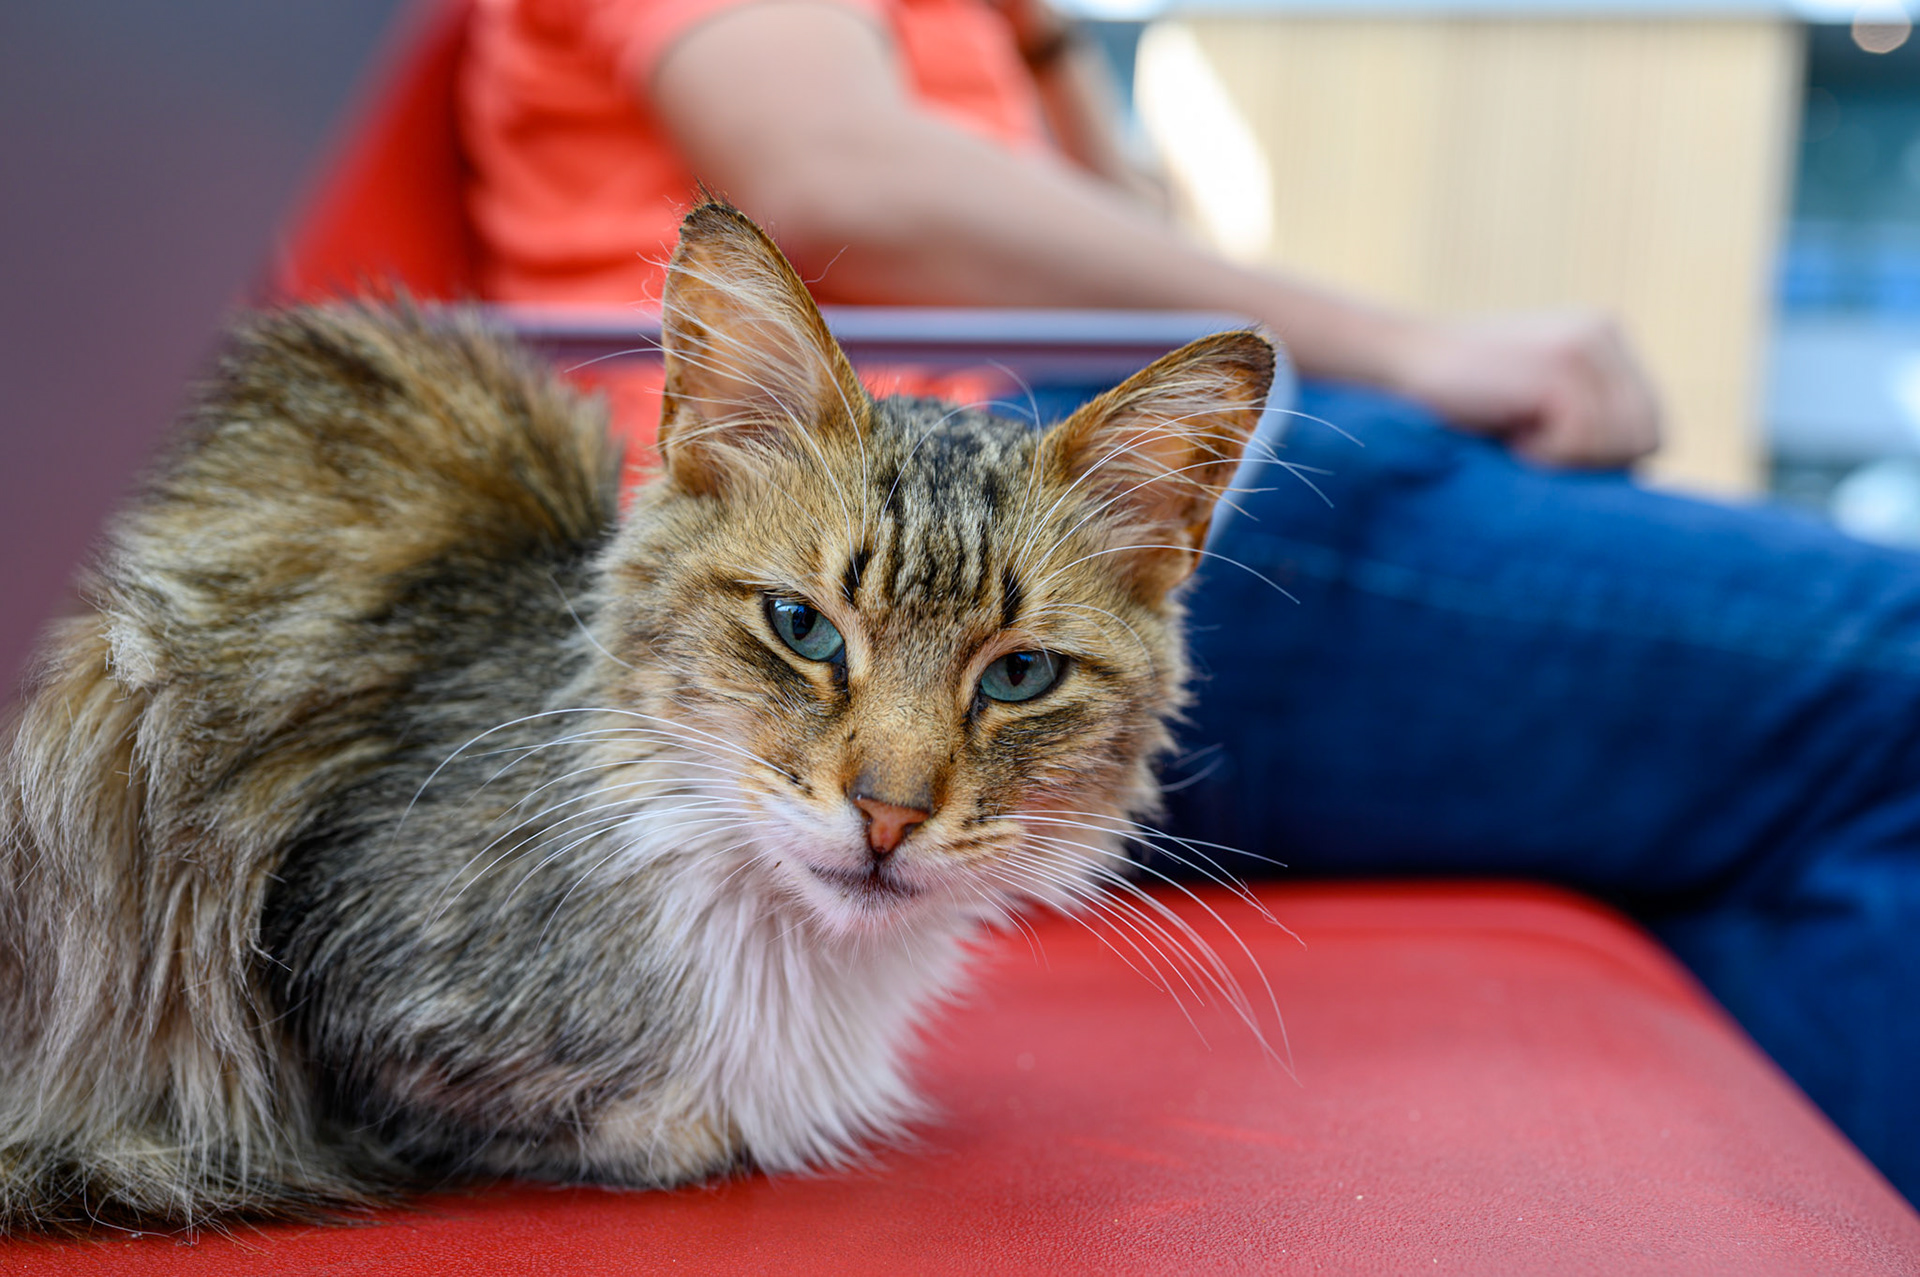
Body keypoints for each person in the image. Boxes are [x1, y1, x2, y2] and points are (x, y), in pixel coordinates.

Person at [461, 0, 1920, 1202]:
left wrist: (1035, 41)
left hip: (1073, 498)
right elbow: (835, 179)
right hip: (944, 493)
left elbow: (1126, 218)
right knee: (1893, 683)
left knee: (1788, 806)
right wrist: (1409, 346)